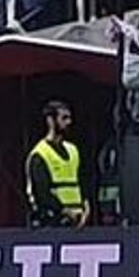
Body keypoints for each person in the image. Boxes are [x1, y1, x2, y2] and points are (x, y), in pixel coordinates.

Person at [24, 97, 91, 228]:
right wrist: (65, 211)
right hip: (51, 222)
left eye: (69, 118)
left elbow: (81, 182)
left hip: (78, 221)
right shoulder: (40, 154)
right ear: (51, 120)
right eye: (64, 118)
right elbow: (41, 193)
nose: (69, 122)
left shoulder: (73, 150)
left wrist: (86, 207)